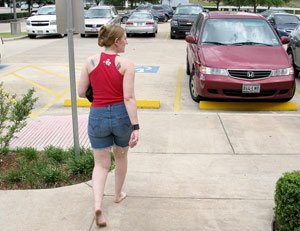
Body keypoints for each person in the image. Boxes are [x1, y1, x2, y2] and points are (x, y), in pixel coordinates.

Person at [78, 25, 139, 228]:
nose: (126, 41)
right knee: (121, 155)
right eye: (124, 38)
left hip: (98, 116)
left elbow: (81, 92)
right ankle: (117, 194)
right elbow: (128, 97)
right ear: (116, 41)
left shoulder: (90, 62)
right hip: (121, 116)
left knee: (100, 164)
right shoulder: (126, 64)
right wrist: (136, 126)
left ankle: (98, 205)